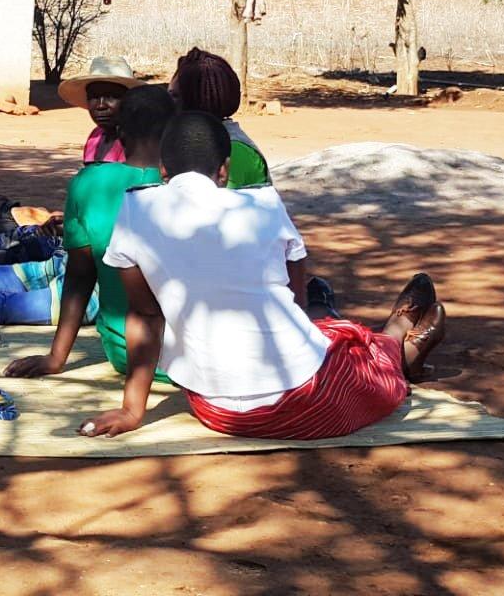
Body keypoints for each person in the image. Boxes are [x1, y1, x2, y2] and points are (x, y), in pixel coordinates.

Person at [78, 113, 447, 439]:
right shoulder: (263, 202)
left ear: (162, 171)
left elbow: (144, 315)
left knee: (332, 337)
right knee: (354, 356)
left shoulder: (135, 207)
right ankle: (399, 342)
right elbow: (298, 304)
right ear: (223, 170)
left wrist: (132, 410)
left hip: (215, 411)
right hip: (308, 398)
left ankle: (397, 337)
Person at [3, 85, 176, 380]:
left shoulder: (86, 184)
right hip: (195, 360)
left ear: (121, 136)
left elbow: (80, 277)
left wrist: (55, 358)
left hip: (127, 353)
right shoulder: (194, 187)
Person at [169, 48, 270, 189]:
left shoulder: (234, 151)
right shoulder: (199, 140)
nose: (167, 102)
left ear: (195, 101)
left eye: (174, 96)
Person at [58, 56, 145, 164]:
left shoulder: (140, 141)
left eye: (111, 96)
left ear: (130, 99)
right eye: (94, 97)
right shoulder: (95, 136)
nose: (100, 105)